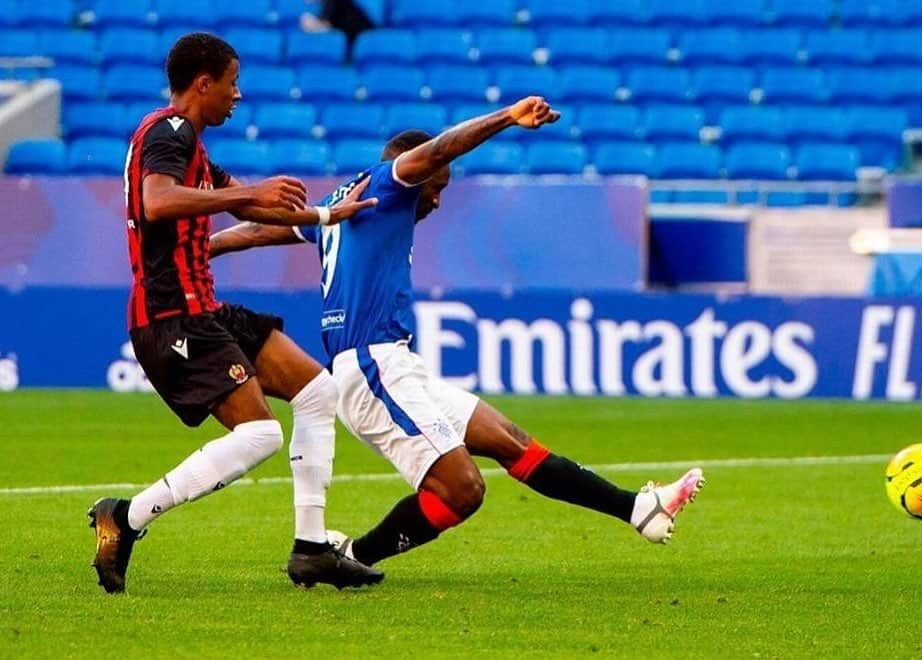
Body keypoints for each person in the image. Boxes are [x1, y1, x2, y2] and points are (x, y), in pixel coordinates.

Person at [208, 97, 705, 570]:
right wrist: (508, 117)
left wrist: (205, 249)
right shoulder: (391, 180)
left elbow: (260, 231)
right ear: (413, 171)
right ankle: (356, 555)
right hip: (373, 367)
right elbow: (442, 146)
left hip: (395, 364)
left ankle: (637, 509)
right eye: (435, 186)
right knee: (462, 489)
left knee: (510, 440)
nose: (438, 199)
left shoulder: (345, 202)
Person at [87, 32, 383, 594]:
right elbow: (158, 202)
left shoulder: (193, 150)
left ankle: (312, 549)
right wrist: (247, 193)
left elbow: (251, 215)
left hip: (207, 310)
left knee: (317, 392)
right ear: (204, 84)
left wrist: (326, 217)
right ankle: (126, 518)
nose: (237, 95)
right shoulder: (168, 133)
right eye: (232, 83)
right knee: (261, 436)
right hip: (172, 319)